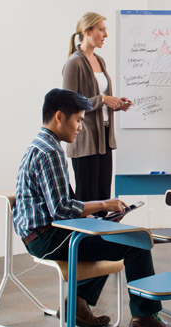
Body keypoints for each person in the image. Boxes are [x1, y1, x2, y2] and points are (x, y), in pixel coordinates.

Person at [13, 88, 171, 327]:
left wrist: (98, 214)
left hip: (39, 234)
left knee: (106, 233)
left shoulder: (41, 144)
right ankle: (145, 319)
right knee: (136, 241)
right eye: (78, 120)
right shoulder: (50, 152)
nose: (80, 127)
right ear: (60, 117)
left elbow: (60, 206)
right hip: (46, 239)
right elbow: (61, 210)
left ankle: (78, 304)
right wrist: (104, 205)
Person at [63, 12, 132, 210]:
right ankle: (85, 242)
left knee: (104, 199)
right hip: (85, 141)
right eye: (101, 29)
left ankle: (100, 241)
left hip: (104, 139)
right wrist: (102, 100)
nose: (106, 35)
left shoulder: (99, 60)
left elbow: (98, 101)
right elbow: (68, 102)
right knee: (89, 200)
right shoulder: (73, 63)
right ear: (87, 31)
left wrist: (116, 103)